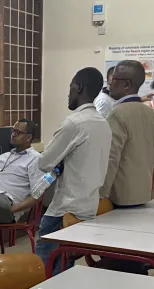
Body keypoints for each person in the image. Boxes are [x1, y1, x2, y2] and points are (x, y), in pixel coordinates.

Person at [36, 67, 113, 273]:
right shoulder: (103, 124)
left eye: (70, 87)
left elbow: (44, 163)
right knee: (66, 265)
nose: (68, 94)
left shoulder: (73, 123)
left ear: (78, 87)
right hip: (88, 207)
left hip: (63, 211)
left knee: (47, 271)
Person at [101, 60, 154, 208]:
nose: (109, 84)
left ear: (127, 84)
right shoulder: (153, 115)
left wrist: (100, 195)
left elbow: (111, 158)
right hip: (143, 193)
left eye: (114, 79)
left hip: (119, 196)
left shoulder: (118, 114)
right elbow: (153, 155)